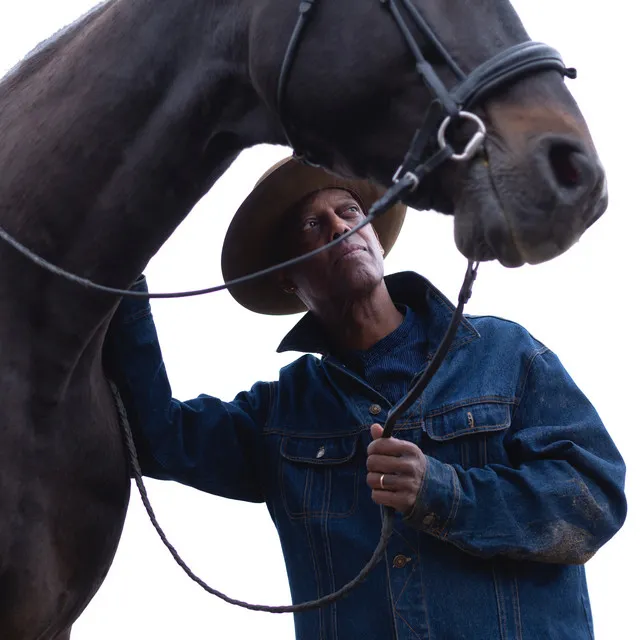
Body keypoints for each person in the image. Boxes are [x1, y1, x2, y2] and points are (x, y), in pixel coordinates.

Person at [103, 157, 627, 640]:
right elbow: (155, 437)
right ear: (287, 277)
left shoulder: (507, 355)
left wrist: (444, 492)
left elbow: (595, 499)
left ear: (373, 234)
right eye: (312, 225)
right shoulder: (281, 414)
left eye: (349, 210)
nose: (338, 225)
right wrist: (119, 267)